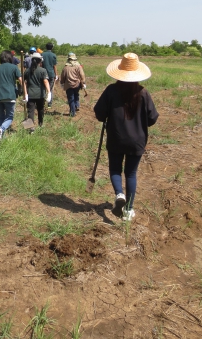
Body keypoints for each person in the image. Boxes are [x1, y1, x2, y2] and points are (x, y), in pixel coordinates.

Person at [94, 53, 158, 222]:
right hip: (137, 140)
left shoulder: (111, 91)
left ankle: (119, 194)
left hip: (116, 137)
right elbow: (152, 118)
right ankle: (128, 210)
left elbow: (99, 113)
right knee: (131, 173)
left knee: (115, 169)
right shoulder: (143, 93)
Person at [23, 52, 51, 132]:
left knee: (30, 111)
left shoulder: (27, 71)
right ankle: (40, 123)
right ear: (40, 61)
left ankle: (30, 128)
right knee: (40, 109)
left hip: (30, 94)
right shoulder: (43, 70)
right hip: (40, 94)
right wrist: (49, 92)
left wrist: (25, 93)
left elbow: (23, 82)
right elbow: (45, 81)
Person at [60, 52, 86, 117]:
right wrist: (83, 82)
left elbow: (62, 77)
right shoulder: (78, 66)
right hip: (77, 84)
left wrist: (62, 83)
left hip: (68, 85)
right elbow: (82, 75)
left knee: (71, 98)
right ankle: (76, 105)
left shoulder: (65, 68)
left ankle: (72, 112)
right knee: (76, 94)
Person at [42, 42, 58, 108]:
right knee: (50, 89)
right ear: (52, 48)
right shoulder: (53, 55)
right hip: (51, 74)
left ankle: (42, 102)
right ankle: (49, 104)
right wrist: (56, 74)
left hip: (43, 74)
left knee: (43, 88)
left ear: (46, 47)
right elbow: (54, 66)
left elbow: (40, 64)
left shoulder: (42, 54)